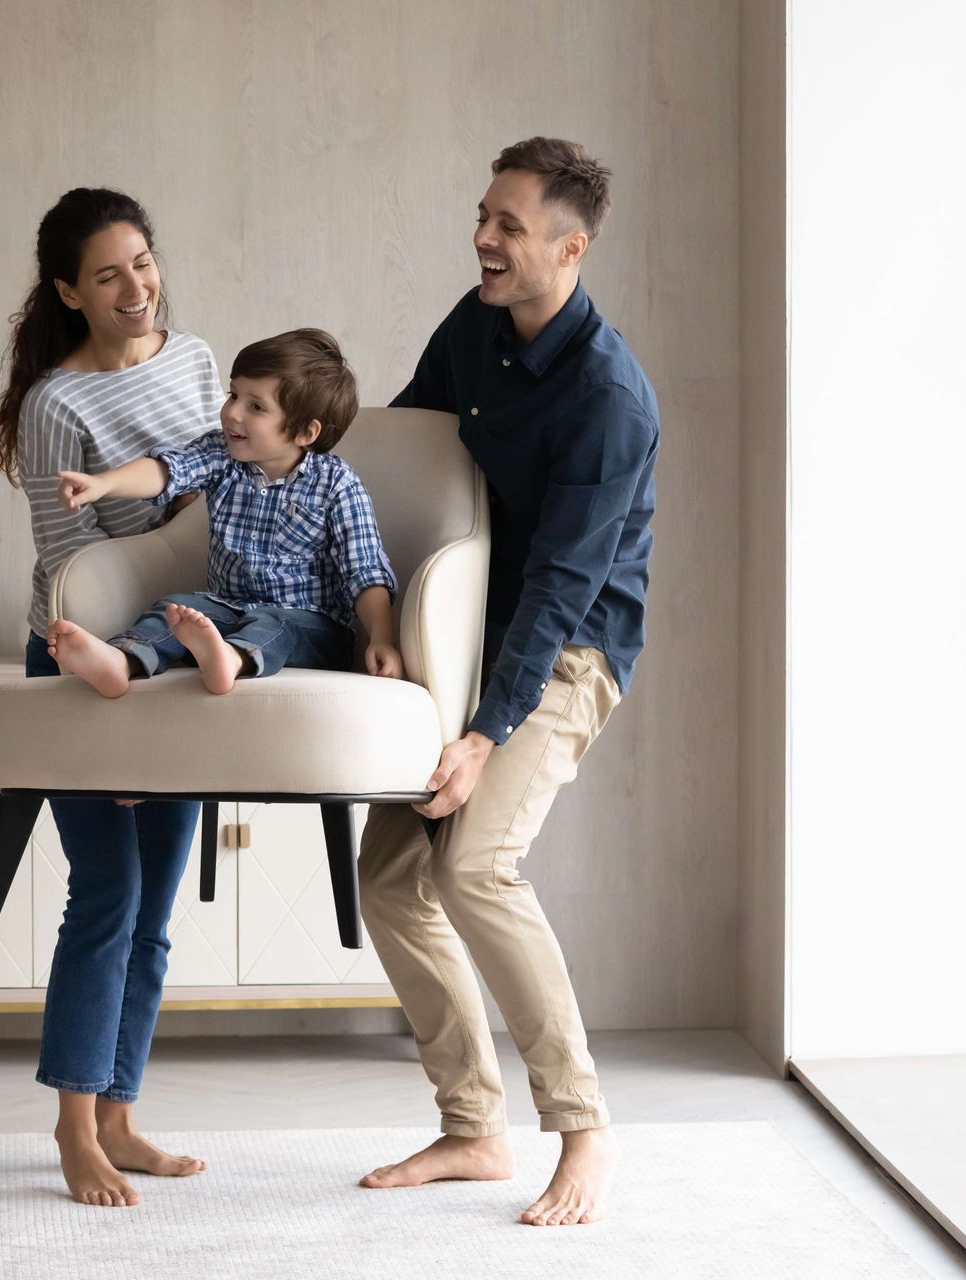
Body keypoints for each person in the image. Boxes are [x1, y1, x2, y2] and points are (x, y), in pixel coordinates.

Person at [355, 136, 660, 1228]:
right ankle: (472, 1125)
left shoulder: (611, 399)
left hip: (567, 650)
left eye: (511, 226)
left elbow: (561, 592)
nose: (484, 238)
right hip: (459, 635)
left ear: (570, 247)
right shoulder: (475, 327)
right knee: (390, 872)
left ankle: (584, 1126)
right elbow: (396, 452)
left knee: (477, 861)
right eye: (483, 216)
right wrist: (373, 614)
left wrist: (484, 731)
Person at [0, 187, 217, 1208]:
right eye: (108, 273)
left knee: (154, 907)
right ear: (70, 291)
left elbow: (227, 489)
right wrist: (113, 707)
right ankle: (75, 1126)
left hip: (180, 655)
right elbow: (73, 566)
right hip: (85, 662)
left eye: (144, 261)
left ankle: (121, 1116)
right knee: (106, 895)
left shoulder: (200, 361)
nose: (135, 287)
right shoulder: (55, 407)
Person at [47, 328, 402, 697]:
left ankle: (230, 660)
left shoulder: (337, 485)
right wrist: (105, 483)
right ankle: (121, 661)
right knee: (175, 608)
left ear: (304, 432)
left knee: (276, 621)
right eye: (233, 394)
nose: (231, 412)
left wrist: (382, 638)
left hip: (311, 627)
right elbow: (169, 470)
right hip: (228, 611)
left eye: (255, 406)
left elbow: (365, 571)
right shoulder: (222, 457)